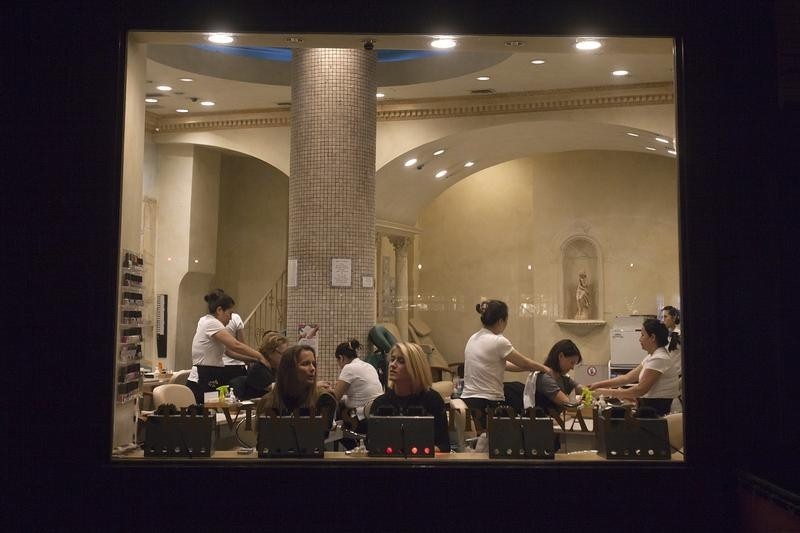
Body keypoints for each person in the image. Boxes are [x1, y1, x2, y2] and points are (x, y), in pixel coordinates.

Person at [462, 299, 552, 431]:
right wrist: (545, 368)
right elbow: (524, 362)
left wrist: (532, 368)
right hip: (488, 402)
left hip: (468, 401)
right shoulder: (498, 341)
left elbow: (507, 365)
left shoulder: (473, 338)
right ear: (500, 321)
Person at [186, 291, 269, 404]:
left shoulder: (209, 322)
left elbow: (228, 352)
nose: (230, 319)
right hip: (203, 376)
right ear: (219, 310)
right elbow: (235, 345)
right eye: (229, 314)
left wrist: (253, 359)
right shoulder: (211, 323)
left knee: (217, 409)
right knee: (208, 413)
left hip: (212, 373)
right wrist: (259, 355)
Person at [369, 342, 450, 453]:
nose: (393, 365)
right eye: (392, 359)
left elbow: (444, 446)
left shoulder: (432, 400)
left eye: (401, 361)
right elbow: (371, 445)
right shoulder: (380, 403)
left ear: (415, 367)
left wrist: (415, 452)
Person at [590, 318, 680, 416]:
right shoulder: (652, 356)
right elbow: (627, 378)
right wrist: (598, 384)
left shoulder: (659, 358)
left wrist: (606, 392)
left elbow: (640, 390)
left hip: (660, 410)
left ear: (652, 337)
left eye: (642, 335)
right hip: (651, 407)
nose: (639, 339)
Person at [256, 345, 337, 431]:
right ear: (289, 370)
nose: (312, 368)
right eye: (305, 364)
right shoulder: (268, 401)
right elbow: (264, 440)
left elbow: (320, 437)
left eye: (313, 364)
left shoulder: (324, 398)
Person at [332, 339, 383, 436]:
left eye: (338, 361)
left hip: (362, 420)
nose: (339, 366)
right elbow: (360, 394)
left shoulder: (348, 368)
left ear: (341, 358)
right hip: (376, 415)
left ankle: (351, 446)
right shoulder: (368, 366)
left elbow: (334, 398)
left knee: (336, 416)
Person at [240, 332, 289, 400]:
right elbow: (277, 389)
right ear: (270, 352)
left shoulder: (276, 367)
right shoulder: (259, 368)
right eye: (283, 354)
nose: (285, 357)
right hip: (256, 407)